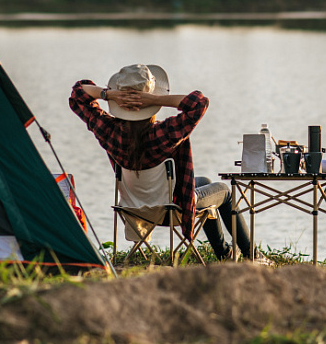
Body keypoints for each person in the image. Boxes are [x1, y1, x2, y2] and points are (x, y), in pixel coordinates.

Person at [69, 63, 266, 262]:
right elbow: (199, 103)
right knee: (225, 191)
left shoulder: (108, 131)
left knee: (205, 181)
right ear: (150, 103)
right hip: (173, 209)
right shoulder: (164, 133)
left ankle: (225, 252)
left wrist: (108, 95)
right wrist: (154, 99)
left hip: (134, 208)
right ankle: (252, 256)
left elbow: (78, 93)